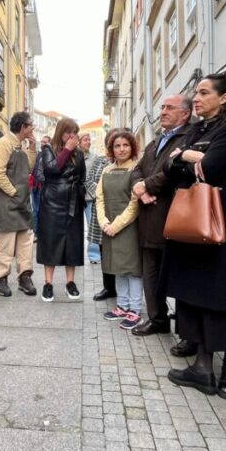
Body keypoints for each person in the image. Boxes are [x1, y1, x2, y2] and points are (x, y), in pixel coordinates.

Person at [163, 75, 226, 399]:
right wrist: (188, 158)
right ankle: (202, 366)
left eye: (203, 92)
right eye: (195, 93)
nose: (195, 98)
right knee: (194, 293)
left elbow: (211, 168)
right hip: (191, 223)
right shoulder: (197, 129)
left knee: (221, 295)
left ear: (224, 97)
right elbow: (172, 168)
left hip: (220, 222)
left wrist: (188, 157)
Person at [129, 96, 193, 342]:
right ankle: (157, 319)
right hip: (148, 218)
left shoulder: (187, 138)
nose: (163, 112)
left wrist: (146, 186)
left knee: (179, 273)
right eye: (162, 107)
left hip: (173, 216)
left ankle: (187, 329)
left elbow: (173, 171)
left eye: (169, 108)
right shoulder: (156, 140)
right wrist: (138, 187)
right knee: (151, 272)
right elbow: (137, 169)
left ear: (185, 114)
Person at [36, 117, 87, 301]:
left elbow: (82, 177)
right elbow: (51, 170)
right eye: (68, 132)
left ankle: (70, 283)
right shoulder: (48, 149)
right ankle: (48, 284)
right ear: (60, 132)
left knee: (72, 243)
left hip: (73, 203)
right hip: (52, 204)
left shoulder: (79, 154)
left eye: (74, 132)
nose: (72, 136)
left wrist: (80, 195)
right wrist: (67, 150)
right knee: (50, 242)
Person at [96, 129, 141, 329]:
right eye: (117, 146)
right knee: (117, 268)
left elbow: (135, 203)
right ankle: (122, 305)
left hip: (129, 227)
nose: (121, 149)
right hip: (109, 227)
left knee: (132, 269)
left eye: (125, 145)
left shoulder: (136, 170)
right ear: (111, 149)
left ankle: (135, 310)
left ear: (132, 147)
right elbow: (99, 199)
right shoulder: (106, 170)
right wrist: (104, 222)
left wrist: (116, 225)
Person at [0, 111, 38, 297]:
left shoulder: (21, 145)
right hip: (7, 204)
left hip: (23, 203)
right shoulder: (3, 145)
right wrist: (14, 192)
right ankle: (0, 279)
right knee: (6, 243)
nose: (32, 129)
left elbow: (29, 168)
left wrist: (33, 148)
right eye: (30, 125)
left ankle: (25, 277)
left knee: (25, 243)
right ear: (22, 127)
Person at [86, 138, 118, 302]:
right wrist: (101, 195)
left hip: (119, 212)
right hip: (100, 210)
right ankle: (108, 287)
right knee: (103, 249)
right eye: (112, 144)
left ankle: (124, 289)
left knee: (120, 250)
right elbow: (89, 180)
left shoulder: (130, 163)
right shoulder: (100, 161)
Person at [80, 133, 101, 264]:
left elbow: (97, 177)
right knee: (75, 228)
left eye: (89, 140)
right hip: (76, 198)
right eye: (85, 140)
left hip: (90, 197)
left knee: (92, 226)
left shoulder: (95, 158)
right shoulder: (74, 156)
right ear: (79, 142)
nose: (88, 142)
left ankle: (94, 255)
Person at [31, 134, 50, 235]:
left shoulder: (51, 155)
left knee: (43, 211)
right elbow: (34, 170)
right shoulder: (38, 154)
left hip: (45, 188)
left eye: (45, 142)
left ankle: (42, 232)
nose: (43, 144)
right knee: (35, 211)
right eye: (42, 142)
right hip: (36, 187)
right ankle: (36, 232)